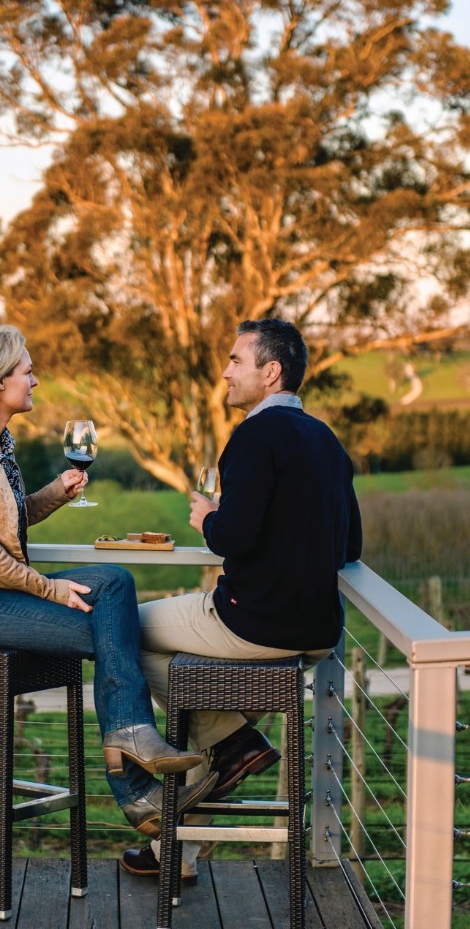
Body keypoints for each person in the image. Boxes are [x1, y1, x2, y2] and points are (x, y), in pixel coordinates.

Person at [0, 325, 201, 807]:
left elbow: (7, 519)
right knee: (116, 631)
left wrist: (54, 495)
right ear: (0, 379)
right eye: (28, 371)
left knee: (115, 582)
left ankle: (131, 743)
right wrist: (49, 589)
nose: (36, 381)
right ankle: (135, 785)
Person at [117, 318, 362, 880]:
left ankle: (226, 740)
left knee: (118, 628)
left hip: (249, 624)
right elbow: (351, 544)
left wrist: (210, 518)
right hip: (316, 634)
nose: (225, 371)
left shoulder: (253, 436)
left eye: (236, 361)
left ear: (270, 373)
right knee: (213, 722)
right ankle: (176, 852)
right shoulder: (325, 439)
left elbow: (233, 539)